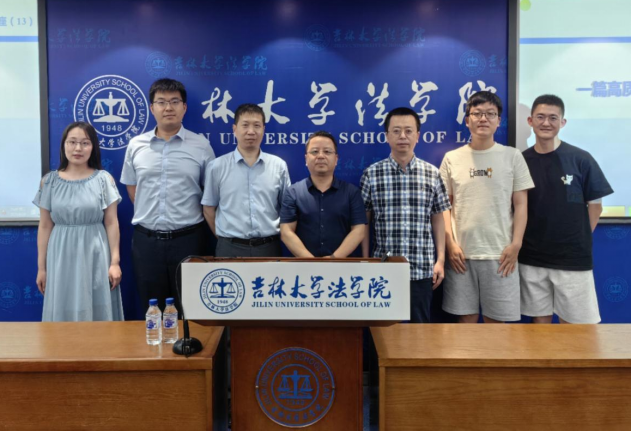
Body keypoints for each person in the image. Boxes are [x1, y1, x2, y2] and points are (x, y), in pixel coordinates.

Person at [120, 78, 215, 314]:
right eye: (161, 102)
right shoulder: (136, 145)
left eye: (174, 101)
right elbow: (133, 189)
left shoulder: (201, 145)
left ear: (184, 107)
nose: (168, 108)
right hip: (147, 241)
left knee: (191, 309)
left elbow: (211, 192)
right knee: (151, 307)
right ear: (152, 108)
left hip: (189, 239)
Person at [440, 91, 534, 324]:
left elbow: (521, 204)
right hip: (461, 256)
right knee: (466, 323)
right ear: (467, 120)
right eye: (477, 113)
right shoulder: (452, 158)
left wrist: (516, 244)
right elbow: (444, 206)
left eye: (490, 114)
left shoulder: (512, 156)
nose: (483, 119)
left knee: (498, 326)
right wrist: (450, 243)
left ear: (498, 121)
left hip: (501, 255)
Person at [519, 94, 613, 324]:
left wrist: (577, 237)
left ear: (562, 122)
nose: (546, 123)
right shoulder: (520, 161)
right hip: (531, 257)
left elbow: (596, 206)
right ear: (530, 121)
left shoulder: (581, 159)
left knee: (575, 329)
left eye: (553, 118)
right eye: (540, 117)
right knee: (539, 325)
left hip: (572, 259)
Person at [360, 107, 451, 323]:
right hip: (384, 268)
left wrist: (440, 260)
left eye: (409, 131)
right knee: (382, 332)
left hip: (421, 268)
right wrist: (366, 260)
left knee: (419, 333)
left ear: (417, 136)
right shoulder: (371, 174)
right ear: (387, 136)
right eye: (396, 131)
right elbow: (363, 223)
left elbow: (438, 219)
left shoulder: (432, 173)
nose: (403, 136)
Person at [34, 121, 124, 321]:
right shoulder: (49, 182)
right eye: (72, 142)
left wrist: (114, 262)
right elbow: (45, 225)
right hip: (60, 254)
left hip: (95, 253)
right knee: (62, 305)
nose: (78, 148)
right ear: (63, 145)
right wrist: (42, 268)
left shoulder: (104, 179)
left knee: (97, 306)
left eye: (85, 143)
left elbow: (111, 222)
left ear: (93, 147)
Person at [202, 104, 290, 258]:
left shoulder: (278, 166)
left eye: (257, 125)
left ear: (264, 129)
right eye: (245, 125)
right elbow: (209, 208)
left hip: (269, 247)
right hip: (229, 248)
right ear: (234, 129)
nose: (251, 131)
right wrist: (225, 238)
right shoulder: (217, 166)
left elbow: (287, 209)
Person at [280, 131, 366, 258]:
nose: (320, 156)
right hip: (304, 266)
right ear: (306, 159)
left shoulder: (352, 192)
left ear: (336, 159)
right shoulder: (293, 192)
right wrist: (311, 261)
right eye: (315, 152)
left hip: (344, 266)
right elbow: (286, 231)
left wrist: (334, 259)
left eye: (327, 152)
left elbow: (359, 230)